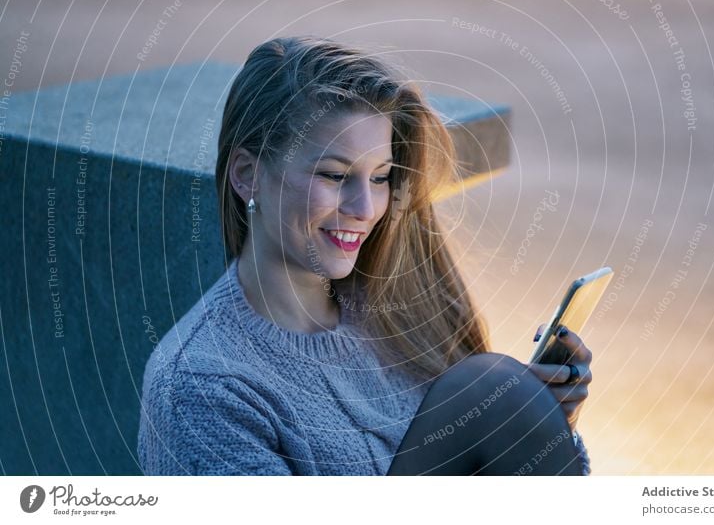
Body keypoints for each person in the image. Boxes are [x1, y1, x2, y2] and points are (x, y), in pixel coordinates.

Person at [137, 36, 592, 476]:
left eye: (380, 177)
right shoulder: (200, 387)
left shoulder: (397, 307)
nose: (365, 209)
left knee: (497, 392)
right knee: (490, 387)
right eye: (335, 175)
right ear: (247, 176)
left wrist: (538, 429)